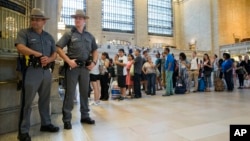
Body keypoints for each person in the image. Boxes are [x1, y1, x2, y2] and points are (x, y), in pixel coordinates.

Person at [15, 8, 59, 141]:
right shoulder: (24, 33)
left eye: (37, 19)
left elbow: (55, 53)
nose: (34, 22)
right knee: (27, 102)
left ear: (44, 21)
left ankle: (45, 124)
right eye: (32, 19)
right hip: (31, 71)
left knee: (45, 100)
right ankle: (23, 131)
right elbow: (20, 47)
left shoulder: (49, 37)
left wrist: (49, 59)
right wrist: (37, 54)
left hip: (46, 71)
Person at [56, 9, 98, 129]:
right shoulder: (69, 34)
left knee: (85, 92)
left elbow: (95, 50)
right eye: (76, 18)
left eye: (80, 18)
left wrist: (94, 62)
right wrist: (68, 60)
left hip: (85, 68)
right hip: (72, 67)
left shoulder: (90, 36)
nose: (77, 20)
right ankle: (67, 119)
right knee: (70, 93)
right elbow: (58, 48)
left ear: (84, 20)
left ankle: (85, 116)